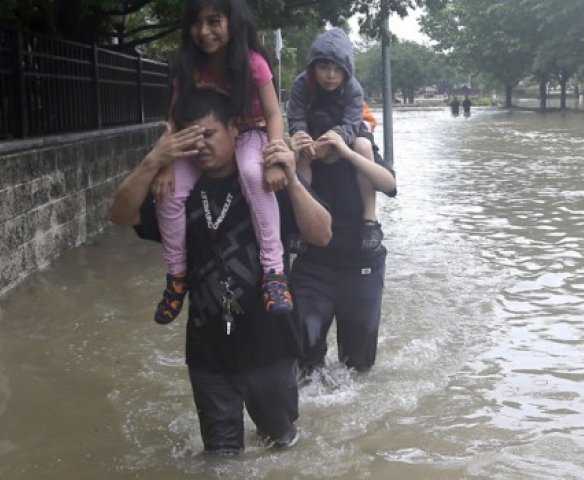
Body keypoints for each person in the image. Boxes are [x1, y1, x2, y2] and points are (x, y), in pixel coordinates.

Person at [109, 88, 332, 454]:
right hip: (208, 354)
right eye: (191, 139)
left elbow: (322, 234)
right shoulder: (176, 191)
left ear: (233, 129)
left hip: (271, 347)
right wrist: (154, 161)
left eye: (209, 135)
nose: (201, 148)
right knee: (221, 457)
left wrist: (291, 178)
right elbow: (119, 215)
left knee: (282, 447)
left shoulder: (267, 180)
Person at [151, 0, 292, 326]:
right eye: (197, 23)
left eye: (214, 21)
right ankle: (176, 275)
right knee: (169, 192)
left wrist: (273, 158)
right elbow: (173, 117)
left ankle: (273, 270)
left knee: (250, 172)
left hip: (249, 133)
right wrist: (165, 164)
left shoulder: (252, 63)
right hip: (201, 137)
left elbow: (273, 114)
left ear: (232, 22)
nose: (204, 31)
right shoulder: (187, 66)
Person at [290, 124, 397, 375]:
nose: (324, 146)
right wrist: (291, 154)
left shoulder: (359, 151)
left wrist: (349, 154)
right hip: (313, 264)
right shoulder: (304, 158)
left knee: (358, 366)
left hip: (361, 262)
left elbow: (390, 186)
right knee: (305, 360)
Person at [287, 28, 383, 251]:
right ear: (313, 67)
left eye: (337, 69)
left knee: (363, 145)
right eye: (323, 67)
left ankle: (370, 218)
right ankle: (301, 220)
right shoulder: (301, 85)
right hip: (313, 128)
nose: (330, 75)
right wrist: (302, 136)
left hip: (347, 131)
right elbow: (296, 117)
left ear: (346, 70)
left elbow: (351, 122)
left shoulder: (353, 88)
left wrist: (336, 140)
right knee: (301, 151)